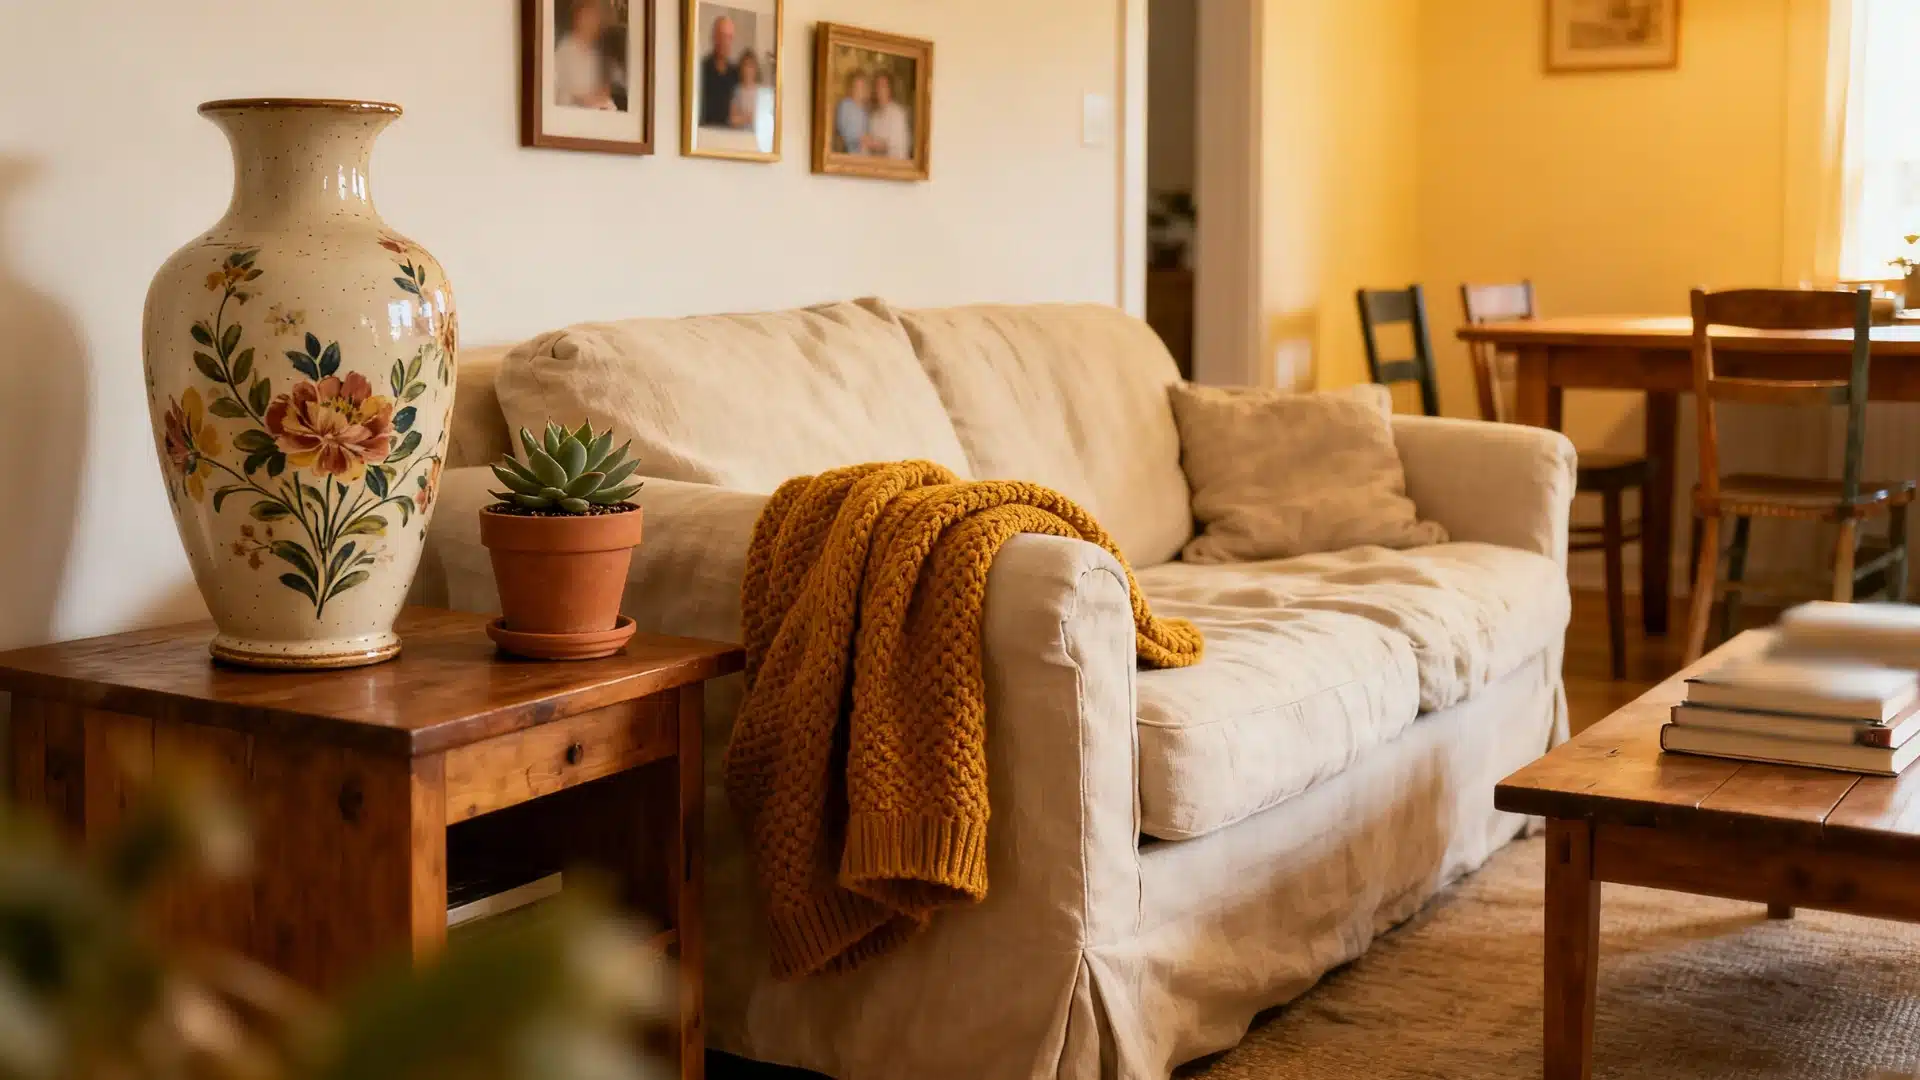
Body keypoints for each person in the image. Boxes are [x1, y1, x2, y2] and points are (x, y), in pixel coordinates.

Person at [554, 0, 616, 110]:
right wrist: (584, 98)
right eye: (587, 17)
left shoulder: (596, 56)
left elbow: (603, 95)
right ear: (577, 18)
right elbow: (559, 94)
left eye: (596, 18)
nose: (592, 23)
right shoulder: (564, 50)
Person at [729, 50, 775, 151]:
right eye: (745, 65)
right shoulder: (737, 91)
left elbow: (768, 121)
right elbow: (733, 120)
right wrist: (749, 117)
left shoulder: (764, 92)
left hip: (759, 142)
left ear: (756, 68)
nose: (747, 69)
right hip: (740, 140)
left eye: (751, 65)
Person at [699, 14, 739, 128]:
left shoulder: (736, 73)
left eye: (729, 37)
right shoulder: (702, 69)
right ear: (713, 37)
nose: (725, 42)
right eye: (721, 36)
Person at [866, 70, 912, 160]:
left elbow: (894, 146)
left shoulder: (897, 113)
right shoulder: (874, 116)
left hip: (897, 167)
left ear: (890, 89)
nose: (879, 89)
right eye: (877, 86)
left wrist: (873, 144)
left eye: (883, 86)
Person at [834, 70, 871, 154]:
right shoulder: (844, 105)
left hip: (863, 154)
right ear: (851, 88)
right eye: (857, 86)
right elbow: (842, 132)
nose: (859, 90)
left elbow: (867, 132)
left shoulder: (864, 109)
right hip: (848, 152)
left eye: (862, 87)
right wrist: (860, 139)